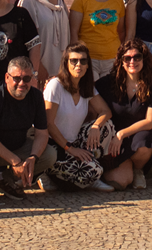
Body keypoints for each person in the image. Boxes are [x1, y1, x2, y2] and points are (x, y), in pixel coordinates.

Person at [0, 57, 56, 201]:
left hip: (18, 146)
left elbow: (42, 133)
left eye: (27, 78)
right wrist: (15, 161)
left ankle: (5, 180)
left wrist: (32, 158)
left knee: (49, 154)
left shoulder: (35, 96)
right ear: (7, 77)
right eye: (16, 78)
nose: (22, 83)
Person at [43, 43, 115, 191]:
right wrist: (70, 149)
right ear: (66, 63)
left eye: (83, 61)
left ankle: (86, 166)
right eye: (73, 61)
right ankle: (45, 173)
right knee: (94, 171)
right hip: (53, 145)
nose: (78, 65)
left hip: (74, 141)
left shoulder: (85, 86)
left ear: (88, 65)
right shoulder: (55, 85)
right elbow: (48, 124)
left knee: (107, 127)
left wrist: (96, 126)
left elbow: (106, 111)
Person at [95, 39, 152, 190]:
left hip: (139, 134)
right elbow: (86, 89)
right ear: (121, 61)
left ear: (144, 59)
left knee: (146, 141)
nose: (132, 61)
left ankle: (138, 170)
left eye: (137, 57)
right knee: (119, 182)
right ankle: (127, 169)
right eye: (127, 58)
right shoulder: (109, 82)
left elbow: (151, 121)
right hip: (113, 140)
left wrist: (122, 134)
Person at [69, 0, 127, 79]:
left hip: (112, 58)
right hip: (89, 59)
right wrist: (77, 58)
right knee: (92, 95)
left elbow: (121, 31)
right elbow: (73, 32)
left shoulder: (117, 0)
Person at [18, 0, 69, 88]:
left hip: (62, 66)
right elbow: (25, 39)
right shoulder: (29, 0)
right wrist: (38, 68)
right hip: (41, 70)